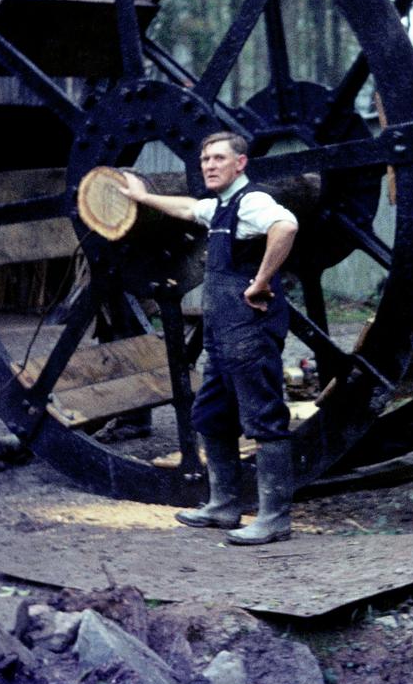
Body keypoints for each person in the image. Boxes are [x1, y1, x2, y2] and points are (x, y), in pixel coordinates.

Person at [118, 132, 298, 545]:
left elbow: (285, 226)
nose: (209, 165)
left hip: (249, 330)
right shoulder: (220, 207)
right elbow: (187, 207)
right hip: (223, 334)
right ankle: (223, 505)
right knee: (212, 413)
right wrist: (144, 198)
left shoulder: (251, 202)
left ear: (240, 164)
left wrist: (262, 280)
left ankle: (274, 518)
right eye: (204, 159)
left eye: (219, 158)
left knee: (263, 416)